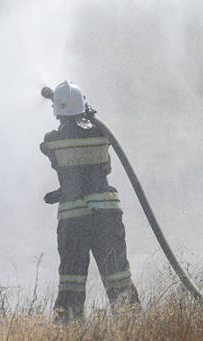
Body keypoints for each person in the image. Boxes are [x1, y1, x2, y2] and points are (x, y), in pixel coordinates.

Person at [40, 81, 140, 323]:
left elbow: (53, 153)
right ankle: (132, 326)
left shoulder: (52, 140)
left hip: (73, 220)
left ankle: (68, 330)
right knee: (118, 277)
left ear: (57, 111)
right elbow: (104, 164)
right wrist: (86, 113)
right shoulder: (101, 134)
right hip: (106, 216)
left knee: (71, 281)